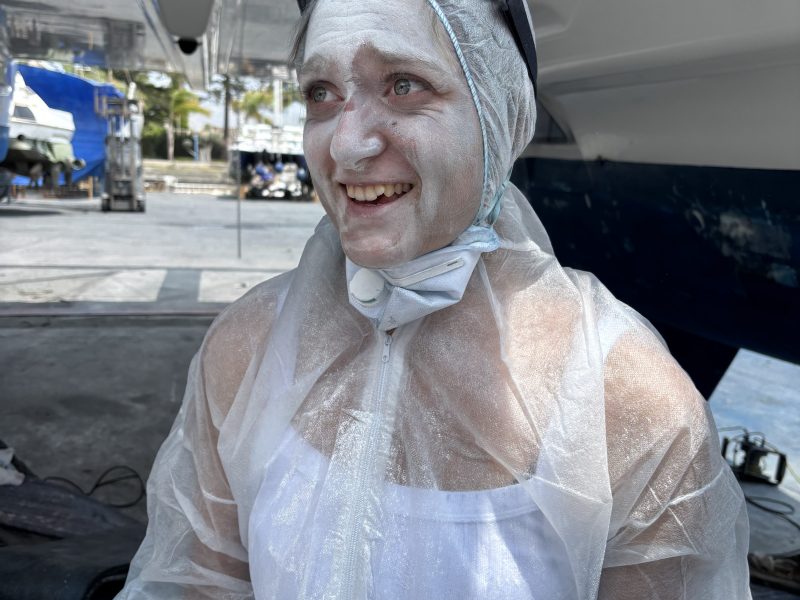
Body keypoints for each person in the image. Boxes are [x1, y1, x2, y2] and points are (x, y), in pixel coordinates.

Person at [116, 0, 751, 598]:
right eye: (321, 93)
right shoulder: (247, 350)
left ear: (497, 109)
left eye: (403, 85)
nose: (345, 145)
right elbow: (199, 581)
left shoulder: (624, 398)